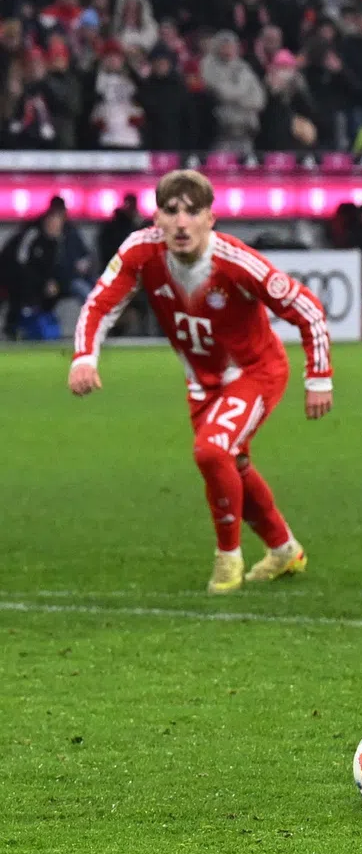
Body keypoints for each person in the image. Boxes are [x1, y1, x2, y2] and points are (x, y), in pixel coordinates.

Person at [68, 170, 334, 595]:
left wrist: (318, 377)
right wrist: (84, 357)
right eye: (170, 211)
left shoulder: (235, 262)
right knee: (234, 466)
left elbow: (307, 308)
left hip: (255, 373)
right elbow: (100, 303)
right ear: (156, 217)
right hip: (201, 383)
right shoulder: (141, 251)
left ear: (211, 219)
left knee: (212, 452)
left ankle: (227, 559)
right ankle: (284, 550)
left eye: (193, 212)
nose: (180, 223)